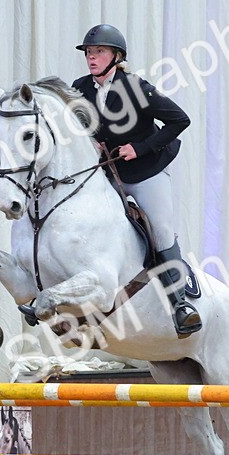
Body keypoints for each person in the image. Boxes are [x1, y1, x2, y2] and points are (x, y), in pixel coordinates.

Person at [71, 24, 201, 336]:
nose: (91, 57)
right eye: (89, 53)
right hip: (109, 173)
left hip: (146, 172)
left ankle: (180, 303)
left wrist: (139, 148)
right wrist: (91, 139)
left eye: (99, 52)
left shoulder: (136, 87)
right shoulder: (80, 87)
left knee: (160, 230)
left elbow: (179, 119)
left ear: (116, 56)